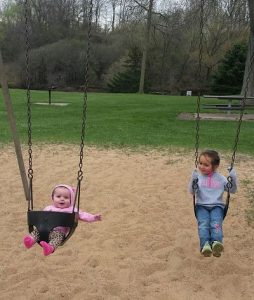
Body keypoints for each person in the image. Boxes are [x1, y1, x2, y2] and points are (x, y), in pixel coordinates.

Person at [23, 184, 101, 256]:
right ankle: (30, 240)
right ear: (53, 198)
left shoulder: (71, 210)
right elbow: (42, 218)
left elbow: (83, 215)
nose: (62, 199)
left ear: (71, 200)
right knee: (37, 231)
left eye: (66, 197)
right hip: (44, 229)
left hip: (58, 232)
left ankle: (49, 248)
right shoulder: (48, 208)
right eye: (58, 196)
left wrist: (93, 217)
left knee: (58, 238)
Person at [188, 150, 237, 257]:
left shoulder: (220, 179)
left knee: (216, 224)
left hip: (217, 206)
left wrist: (232, 176)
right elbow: (192, 191)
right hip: (201, 206)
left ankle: (216, 243)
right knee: (203, 225)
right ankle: (205, 245)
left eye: (206, 165)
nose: (202, 167)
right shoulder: (198, 178)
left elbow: (232, 190)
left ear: (215, 166)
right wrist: (193, 179)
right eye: (200, 163)